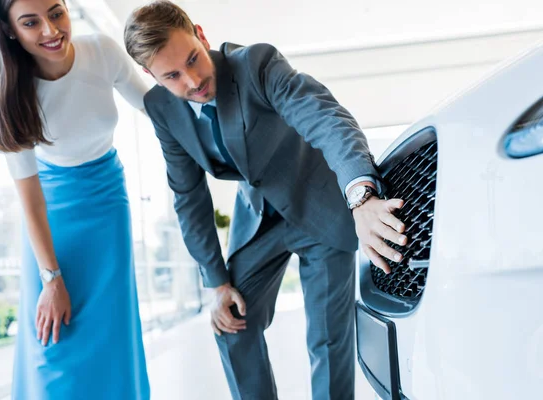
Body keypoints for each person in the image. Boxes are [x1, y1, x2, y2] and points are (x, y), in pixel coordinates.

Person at [124, 1, 407, 399]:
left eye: (193, 58)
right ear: (149, 75)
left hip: (319, 208)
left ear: (201, 35)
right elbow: (188, 196)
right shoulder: (161, 108)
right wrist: (217, 282)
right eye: (172, 75)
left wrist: (361, 196)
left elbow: (325, 118)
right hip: (258, 220)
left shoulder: (256, 64)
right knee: (231, 323)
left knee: (327, 341)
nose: (192, 80)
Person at [0, 0, 150, 398]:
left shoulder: (102, 52)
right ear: (11, 31)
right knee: (55, 342)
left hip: (108, 202)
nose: (50, 30)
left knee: (111, 335)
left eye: (56, 13)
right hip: (51, 221)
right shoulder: (11, 97)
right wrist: (51, 279)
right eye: (31, 23)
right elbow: (30, 202)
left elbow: (159, 110)